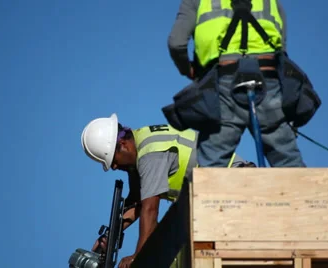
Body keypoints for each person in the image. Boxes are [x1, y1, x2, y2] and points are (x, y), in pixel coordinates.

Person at [80, 113, 255, 268]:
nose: (115, 166)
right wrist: (110, 236)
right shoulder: (139, 145)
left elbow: (149, 210)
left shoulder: (150, 155)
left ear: (123, 144)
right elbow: (137, 203)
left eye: (113, 160)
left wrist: (138, 258)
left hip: (234, 187)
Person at [167, 0, 307, 168]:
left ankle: (209, 193)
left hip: (224, 81)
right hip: (267, 78)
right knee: (287, 160)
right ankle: (303, 194)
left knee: (212, 164)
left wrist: (188, 70)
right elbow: (282, 49)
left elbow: (176, 43)